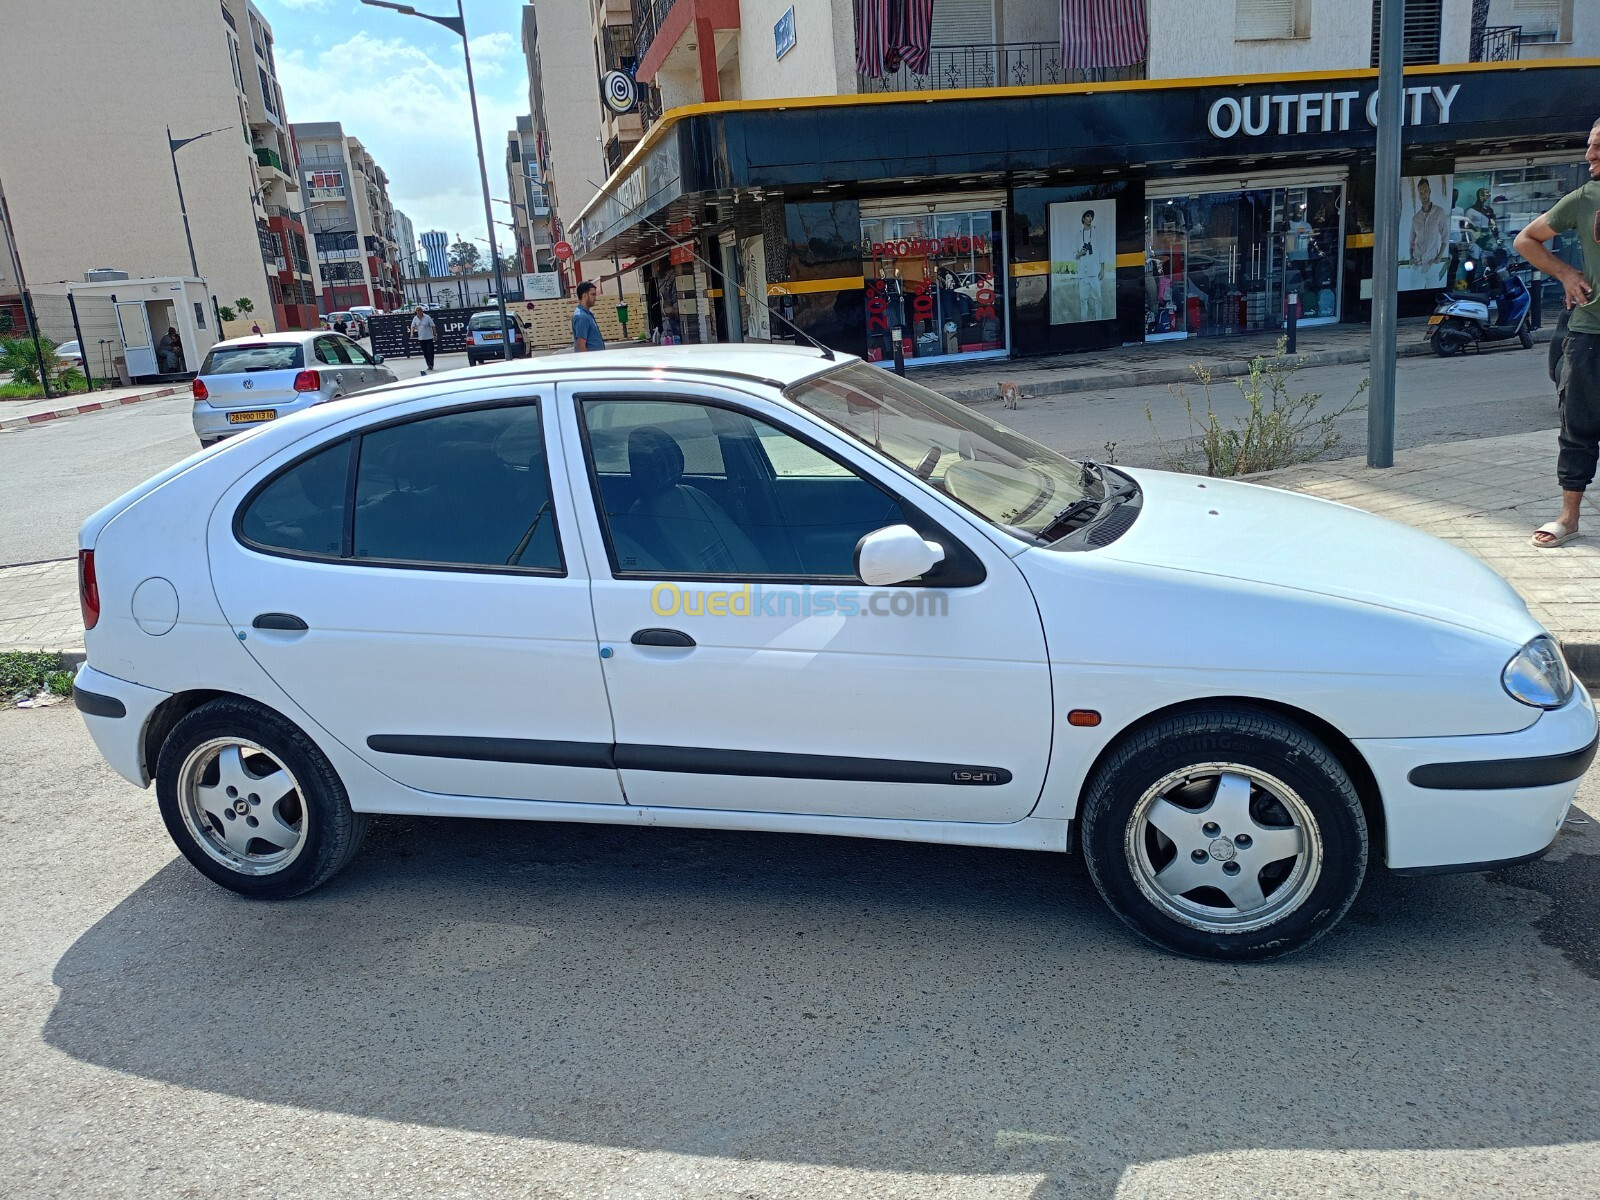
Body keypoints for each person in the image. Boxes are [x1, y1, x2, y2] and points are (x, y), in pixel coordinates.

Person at [1517, 118, 1600, 548]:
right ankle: (1569, 517)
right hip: (1589, 333)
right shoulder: (1584, 199)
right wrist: (1566, 273)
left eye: (1598, 147)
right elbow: (1527, 240)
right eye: (1590, 146)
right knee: (1577, 427)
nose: (1589, 155)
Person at [1407, 177, 1449, 284]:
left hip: (1432, 264)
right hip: (1417, 265)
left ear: (1429, 191)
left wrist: (1439, 256)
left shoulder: (1439, 212)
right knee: (1413, 295)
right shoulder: (1415, 218)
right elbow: (1411, 241)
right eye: (1420, 192)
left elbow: (1445, 236)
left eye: (1425, 191)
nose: (1423, 195)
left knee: (1432, 295)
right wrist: (1411, 257)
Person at [1076, 208, 1106, 322]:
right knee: (1083, 299)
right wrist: (1080, 253)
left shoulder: (1097, 232)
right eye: (1087, 216)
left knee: (1098, 298)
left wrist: (1102, 270)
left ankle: (1099, 320)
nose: (1090, 218)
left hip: (1094, 272)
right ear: (1083, 218)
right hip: (1083, 273)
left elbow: (1101, 252)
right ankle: (1084, 321)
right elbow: (1074, 255)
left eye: (1091, 216)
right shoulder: (1078, 235)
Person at [572, 280, 605, 352]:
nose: (595, 298)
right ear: (585, 295)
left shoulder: (586, 314)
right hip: (591, 361)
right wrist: (587, 362)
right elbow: (581, 345)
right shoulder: (582, 317)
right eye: (593, 294)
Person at [409, 305, 436, 374]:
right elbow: (412, 326)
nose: (418, 312)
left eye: (419, 310)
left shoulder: (427, 317)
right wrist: (412, 333)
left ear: (422, 311)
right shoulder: (415, 319)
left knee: (430, 351)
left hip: (429, 337)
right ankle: (428, 364)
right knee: (425, 352)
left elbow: (433, 326)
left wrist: (434, 334)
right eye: (417, 311)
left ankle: (431, 364)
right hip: (421, 338)